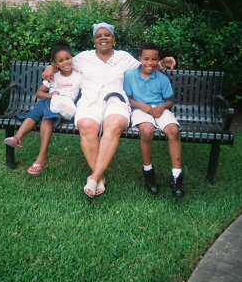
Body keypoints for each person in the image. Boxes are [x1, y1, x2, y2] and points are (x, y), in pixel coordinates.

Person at [42, 23, 176, 199]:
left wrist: (161, 64)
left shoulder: (124, 58)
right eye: (99, 36)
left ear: (113, 39)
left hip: (116, 102)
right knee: (87, 126)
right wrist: (50, 67)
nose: (103, 38)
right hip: (90, 102)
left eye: (107, 35)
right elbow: (63, 62)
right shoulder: (84, 58)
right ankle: (100, 177)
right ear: (94, 41)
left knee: (112, 125)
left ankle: (94, 177)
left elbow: (144, 67)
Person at [4, 38, 82, 175]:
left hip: (62, 107)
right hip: (47, 101)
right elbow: (39, 93)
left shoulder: (79, 77)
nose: (66, 62)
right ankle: (17, 137)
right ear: (56, 64)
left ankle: (41, 158)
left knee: (47, 117)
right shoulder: (53, 77)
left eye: (68, 58)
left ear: (72, 58)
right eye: (61, 60)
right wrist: (50, 95)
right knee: (34, 115)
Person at [123, 42, 184, 198]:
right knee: (147, 131)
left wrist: (162, 107)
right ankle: (148, 172)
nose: (150, 63)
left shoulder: (162, 79)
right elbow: (128, 98)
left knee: (174, 131)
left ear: (158, 60)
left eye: (154, 59)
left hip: (159, 108)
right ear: (140, 58)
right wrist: (142, 106)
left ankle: (177, 176)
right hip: (139, 109)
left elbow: (170, 100)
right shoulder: (130, 75)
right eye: (146, 59)